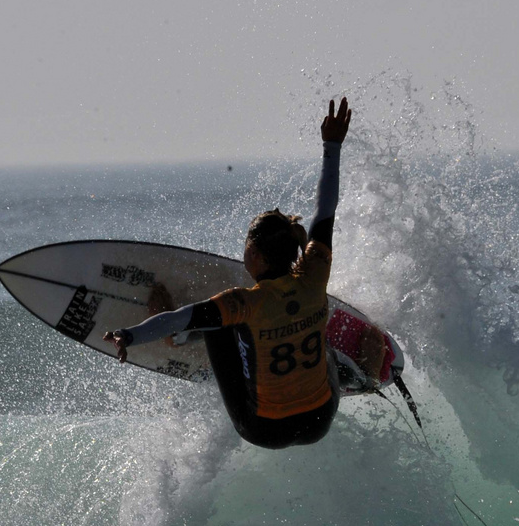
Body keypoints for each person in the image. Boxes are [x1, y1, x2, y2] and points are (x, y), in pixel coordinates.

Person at [104, 97, 351, 449]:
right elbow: (325, 208)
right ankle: (341, 367)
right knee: (318, 325)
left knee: (214, 324)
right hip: (320, 418)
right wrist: (332, 144)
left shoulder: (241, 304)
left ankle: (185, 344)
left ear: (255, 255)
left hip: (265, 430)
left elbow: (177, 318)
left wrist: (129, 336)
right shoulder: (315, 273)